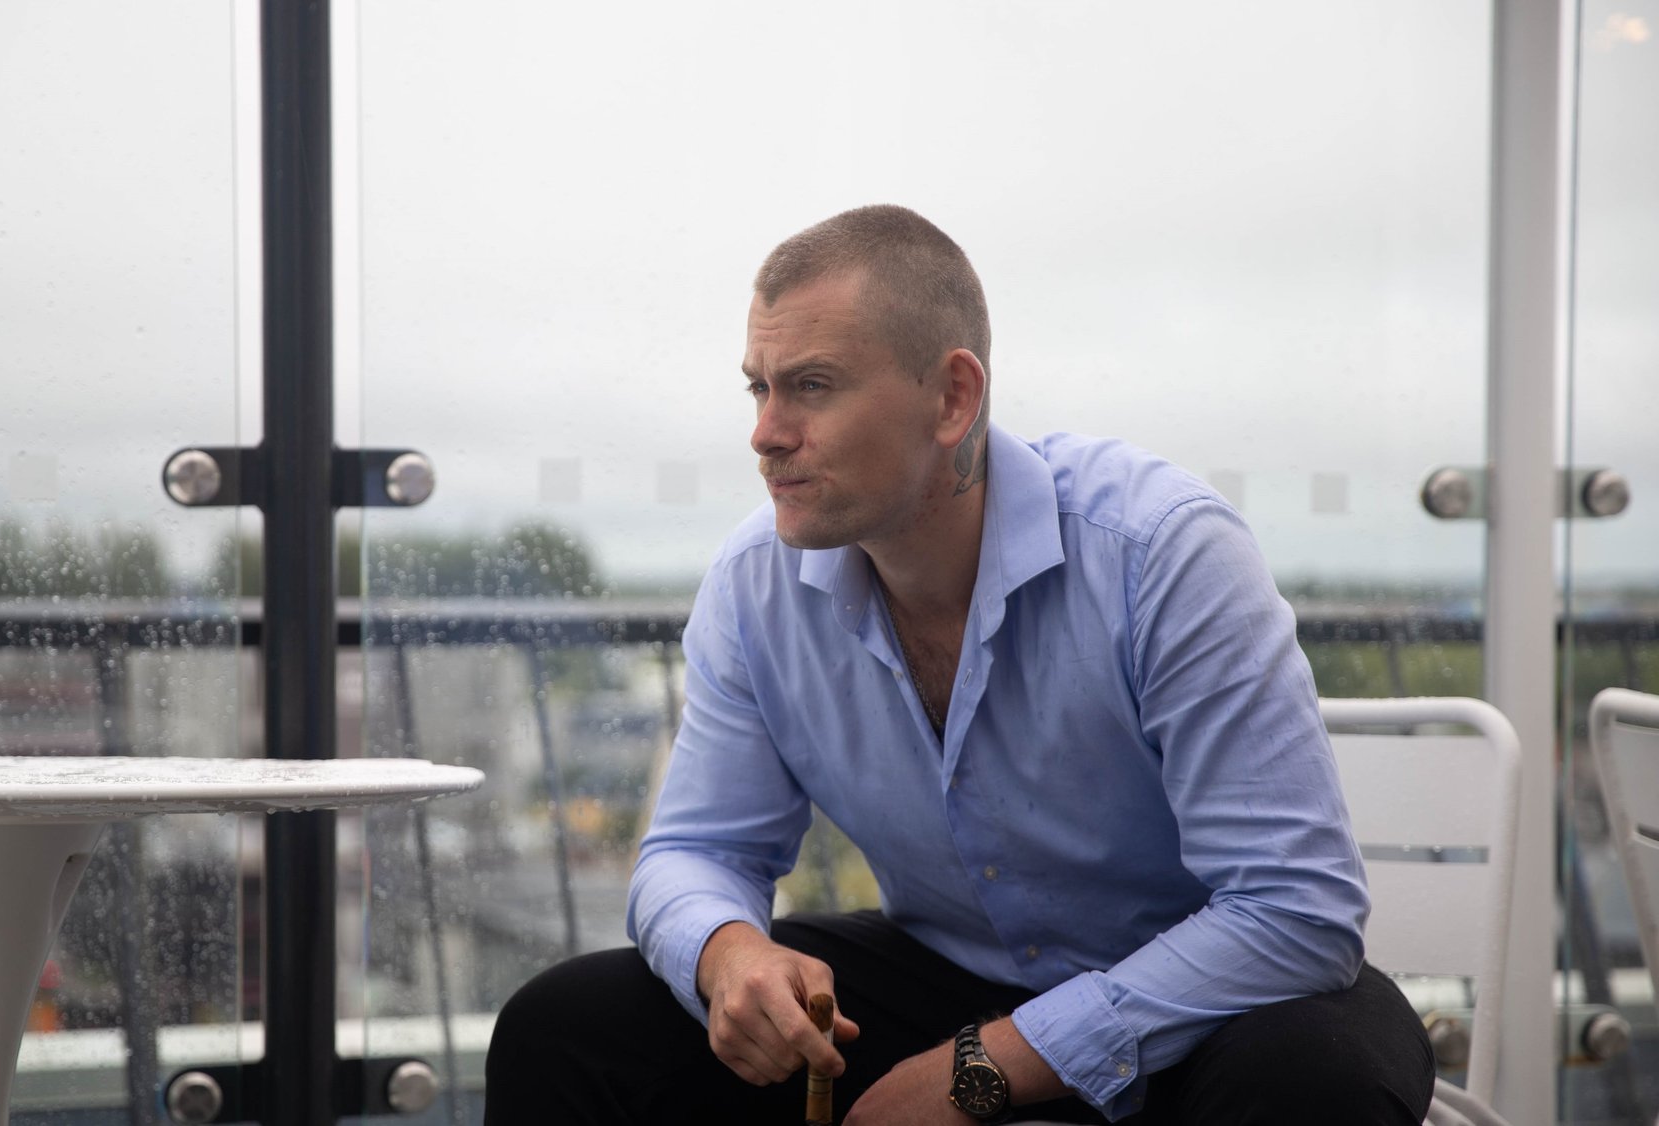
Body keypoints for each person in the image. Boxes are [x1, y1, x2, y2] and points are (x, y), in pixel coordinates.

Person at [483, 205, 1433, 1124]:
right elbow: (697, 852)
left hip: (1205, 998)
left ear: (953, 398)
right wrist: (729, 956)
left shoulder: (1161, 553)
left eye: (810, 386)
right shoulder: (754, 586)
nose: (765, 433)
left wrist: (985, 1068)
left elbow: (1296, 910)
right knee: (566, 1029)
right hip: (948, 975)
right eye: (758, 387)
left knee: (1318, 1079)